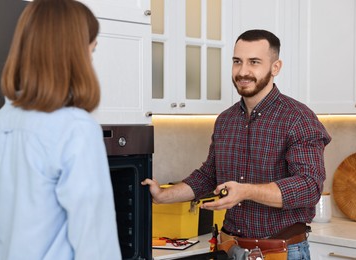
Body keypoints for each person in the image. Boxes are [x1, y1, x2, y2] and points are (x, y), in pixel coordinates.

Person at [142, 29, 331, 259]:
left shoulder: (298, 118)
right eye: (237, 61)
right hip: (230, 249)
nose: (243, 71)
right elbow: (209, 176)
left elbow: (309, 187)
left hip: (280, 252)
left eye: (254, 62)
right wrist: (163, 195)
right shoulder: (225, 120)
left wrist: (246, 191)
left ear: (275, 67)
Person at [0, 0, 122, 259]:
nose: (91, 59)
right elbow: (96, 246)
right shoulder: (76, 128)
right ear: (74, 54)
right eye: (91, 50)